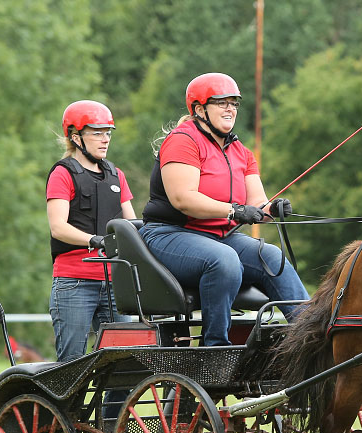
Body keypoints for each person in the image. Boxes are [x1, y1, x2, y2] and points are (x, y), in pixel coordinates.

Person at [140, 72, 308, 346]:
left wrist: (272, 208)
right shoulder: (183, 141)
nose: (230, 108)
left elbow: (256, 204)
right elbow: (183, 198)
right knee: (223, 260)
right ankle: (215, 345)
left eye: (234, 103)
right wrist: (233, 210)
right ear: (199, 109)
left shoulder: (240, 151)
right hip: (170, 234)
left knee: (273, 258)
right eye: (221, 102)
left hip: (219, 236)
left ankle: (310, 336)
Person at [46, 100, 137, 362]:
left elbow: (131, 225)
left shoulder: (116, 175)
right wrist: (96, 240)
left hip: (114, 283)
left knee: (123, 363)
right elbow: (58, 227)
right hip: (75, 282)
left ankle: (113, 406)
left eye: (108, 132)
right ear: (76, 137)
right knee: (72, 363)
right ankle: (68, 405)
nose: (105, 139)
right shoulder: (63, 174)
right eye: (97, 133)